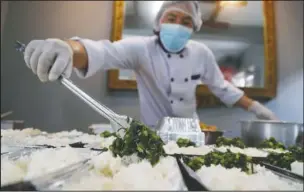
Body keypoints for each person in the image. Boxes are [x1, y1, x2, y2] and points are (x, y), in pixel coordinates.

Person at [23, 1, 278, 129]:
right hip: (154, 135)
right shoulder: (140, 48)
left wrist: (257, 108)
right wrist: (68, 48)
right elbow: (100, 51)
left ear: (194, 28)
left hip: (193, 133)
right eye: (172, 18)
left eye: (186, 22)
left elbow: (223, 87)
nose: (178, 25)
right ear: (159, 22)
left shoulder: (201, 52)